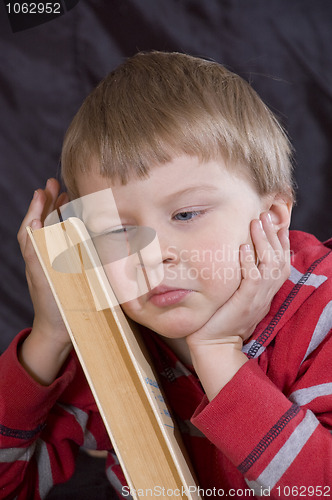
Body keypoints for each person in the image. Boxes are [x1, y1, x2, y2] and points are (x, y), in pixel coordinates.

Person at [1, 51, 331, 500]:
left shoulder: (323, 312)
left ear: (272, 218)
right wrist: (53, 333)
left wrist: (217, 353)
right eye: (117, 231)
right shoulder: (108, 349)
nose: (151, 258)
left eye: (187, 213)